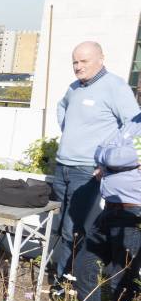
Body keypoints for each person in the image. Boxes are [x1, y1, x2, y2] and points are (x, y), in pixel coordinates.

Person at [50, 41, 140, 281]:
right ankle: (63, 274)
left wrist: (107, 162)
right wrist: (70, 133)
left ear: (101, 59)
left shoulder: (115, 87)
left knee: (75, 229)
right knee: (61, 226)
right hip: (62, 167)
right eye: (75, 62)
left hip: (88, 170)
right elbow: (62, 108)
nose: (78, 67)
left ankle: (68, 281)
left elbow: (133, 125)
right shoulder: (74, 88)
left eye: (84, 61)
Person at [73, 113, 141, 301]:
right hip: (109, 209)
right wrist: (115, 159)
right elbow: (101, 150)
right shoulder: (133, 121)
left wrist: (109, 161)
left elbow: (111, 158)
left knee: (120, 280)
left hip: (133, 214)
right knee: (84, 265)